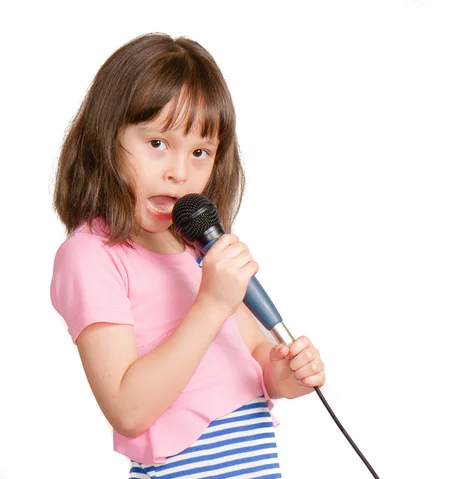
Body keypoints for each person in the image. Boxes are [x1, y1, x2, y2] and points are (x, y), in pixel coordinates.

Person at [50, 32, 325, 479]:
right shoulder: (91, 257)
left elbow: (253, 352)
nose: (179, 172)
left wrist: (281, 376)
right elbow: (128, 408)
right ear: (105, 138)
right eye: (157, 143)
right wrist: (211, 304)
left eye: (200, 152)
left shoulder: (199, 245)